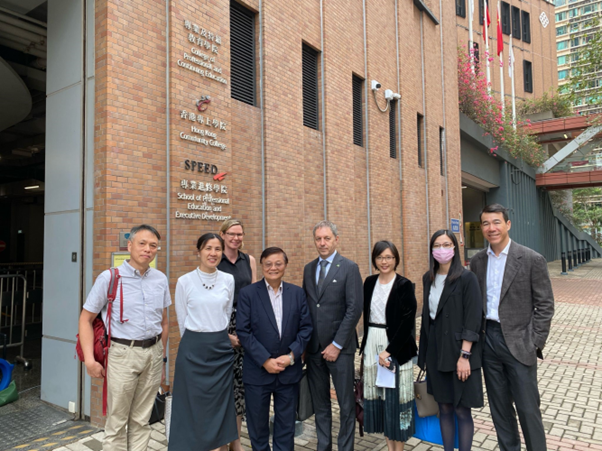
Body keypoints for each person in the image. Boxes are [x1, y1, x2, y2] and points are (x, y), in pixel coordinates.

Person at [78, 224, 170, 451]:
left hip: (154, 353)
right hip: (122, 354)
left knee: (142, 420)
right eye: (142, 243)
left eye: (153, 245)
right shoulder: (109, 277)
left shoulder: (160, 278)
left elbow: (165, 322)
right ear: (129, 246)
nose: (147, 249)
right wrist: (90, 360)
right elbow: (85, 319)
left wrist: (161, 358)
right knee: (117, 422)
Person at [470, 204, 554, 451]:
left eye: (496, 222)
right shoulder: (477, 261)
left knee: (528, 408)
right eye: (486, 223)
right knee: (500, 409)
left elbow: (545, 305)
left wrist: (535, 342)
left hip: (520, 342)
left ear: (508, 224)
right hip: (488, 341)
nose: (491, 228)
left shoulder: (531, 259)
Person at [236, 247, 313, 451]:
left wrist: (291, 356)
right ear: (261, 266)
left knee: (286, 426)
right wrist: (265, 360)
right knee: (258, 427)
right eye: (268, 264)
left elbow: (306, 329)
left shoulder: (297, 293)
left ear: (285, 265)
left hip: (288, 372)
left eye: (278, 263)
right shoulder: (248, 294)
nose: (273, 268)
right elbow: (243, 331)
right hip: (257, 372)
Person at [169, 233, 237, 451]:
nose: (213, 253)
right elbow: (182, 320)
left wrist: (217, 336)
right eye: (208, 248)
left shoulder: (228, 279)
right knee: (192, 405)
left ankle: (218, 447)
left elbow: (226, 315)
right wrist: (197, 340)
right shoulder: (185, 281)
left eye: (218, 249)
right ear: (198, 251)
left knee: (219, 407)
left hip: (220, 350)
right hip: (193, 350)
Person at [417, 230, 483, 451]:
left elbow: (473, 319)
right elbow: (428, 318)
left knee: (462, 410)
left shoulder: (467, 278)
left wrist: (465, 356)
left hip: (460, 354)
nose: (442, 249)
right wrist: (424, 356)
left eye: (447, 244)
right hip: (436, 354)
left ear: (455, 248)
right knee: (444, 408)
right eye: (437, 245)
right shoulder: (429, 278)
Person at [302, 220, 363, 451]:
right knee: (321, 405)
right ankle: (323, 447)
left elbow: (354, 309)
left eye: (327, 238)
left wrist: (337, 344)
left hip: (341, 350)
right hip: (315, 350)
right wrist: (305, 347)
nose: (322, 243)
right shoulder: (309, 269)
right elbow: (307, 308)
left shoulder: (349, 267)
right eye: (318, 239)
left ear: (336, 239)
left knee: (346, 406)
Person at [359, 241, 416, 451]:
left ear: (396, 259)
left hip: (395, 347)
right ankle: (389, 447)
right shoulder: (369, 282)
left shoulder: (404, 284)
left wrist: (388, 351)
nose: (384, 261)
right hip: (372, 342)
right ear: (374, 259)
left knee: (395, 401)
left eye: (389, 257)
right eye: (380, 257)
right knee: (382, 401)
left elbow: (407, 322)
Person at [217, 219, 257, 451]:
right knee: (224, 385)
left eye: (240, 234)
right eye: (231, 233)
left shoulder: (248, 260)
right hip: (221, 324)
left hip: (244, 323)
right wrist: (225, 334)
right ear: (222, 235)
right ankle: (223, 441)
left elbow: (252, 293)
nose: (236, 238)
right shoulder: (215, 259)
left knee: (240, 386)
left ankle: (236, 442)